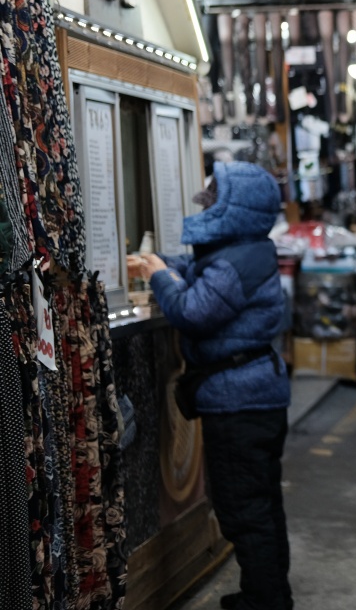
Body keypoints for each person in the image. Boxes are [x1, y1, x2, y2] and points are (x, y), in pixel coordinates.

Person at [127, 162, 291, 610]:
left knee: (244, 509)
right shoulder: (244, 250)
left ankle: (267, 602)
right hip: (254, 397)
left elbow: (193, 312)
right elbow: (199, 267)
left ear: (235, 205)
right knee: (261, 503)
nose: (205, 197)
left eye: (214, 193)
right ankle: (269, 593)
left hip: (242, 402)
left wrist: (159, 276)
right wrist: (164, 264)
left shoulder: (239, 259)